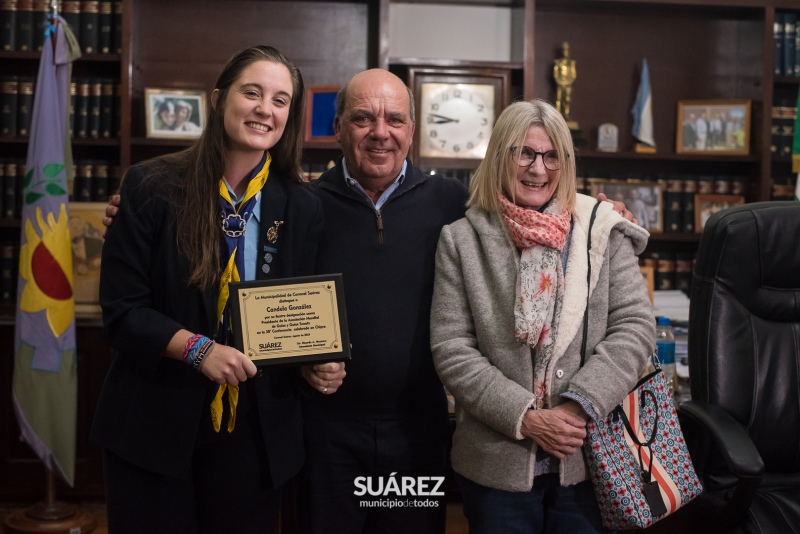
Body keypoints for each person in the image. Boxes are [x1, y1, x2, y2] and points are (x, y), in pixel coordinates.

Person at [102, 69, 637, 534]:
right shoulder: (302, 203)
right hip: (325, 434)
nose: (380, 133)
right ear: (336, 129)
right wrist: (133, 216)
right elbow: (234, 253)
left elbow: (540, 204)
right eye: (362, 119)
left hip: (417, 431)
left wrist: (604, 212)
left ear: (412, 130)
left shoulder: (455, 203)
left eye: (395, 120)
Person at [91, 45, 345, 534]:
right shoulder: (150, 186)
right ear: (217, 98)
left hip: (255, 434)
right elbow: (122, 313)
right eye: (252, 93)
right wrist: (198, 349)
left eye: (280, 100)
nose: (264, 109)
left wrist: (321, 360)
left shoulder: (303, 205)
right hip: (154, 424)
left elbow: (302, 315)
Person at [430, 99, 655, 533]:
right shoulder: (460, 241)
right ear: (500, 156)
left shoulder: (601, 228)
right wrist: (528, 418)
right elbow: (452, 348)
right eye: (524, 153)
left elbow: (634, 327)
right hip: (496, 465)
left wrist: (574, 409)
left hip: (588, 459)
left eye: (552, 155)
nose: (538, 168)